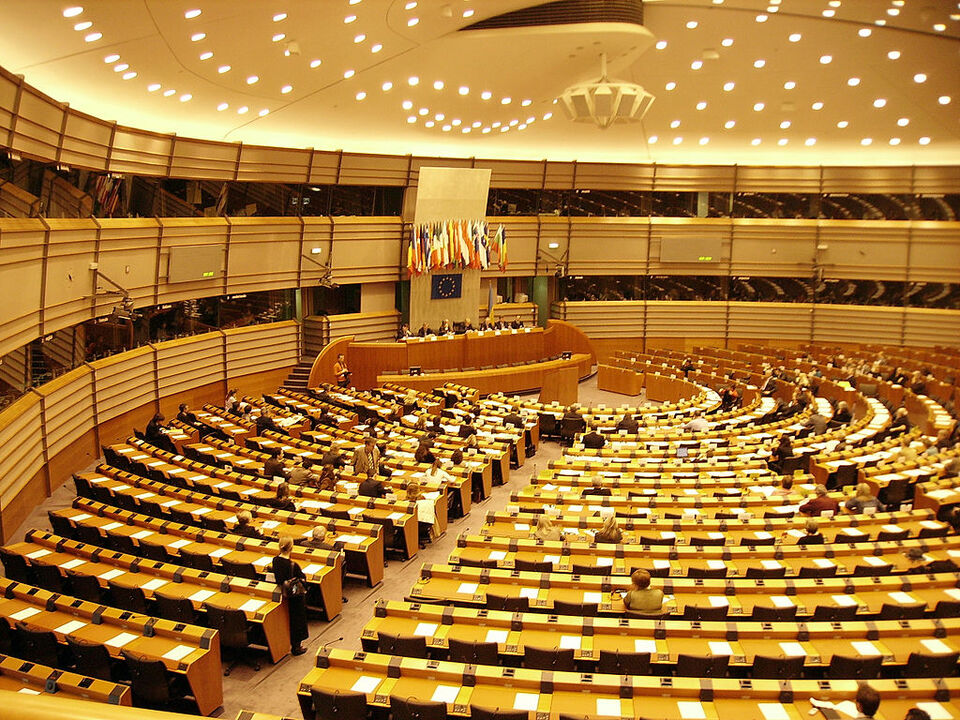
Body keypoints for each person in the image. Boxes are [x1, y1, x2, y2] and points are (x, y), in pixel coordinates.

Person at [272, 536, 308, 655]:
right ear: (291, 548)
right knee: (297, 619)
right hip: (294, 596)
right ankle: (296, 647)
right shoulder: (293, 565)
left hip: (281, 592)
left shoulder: (275, 560)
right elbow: (303, 579)